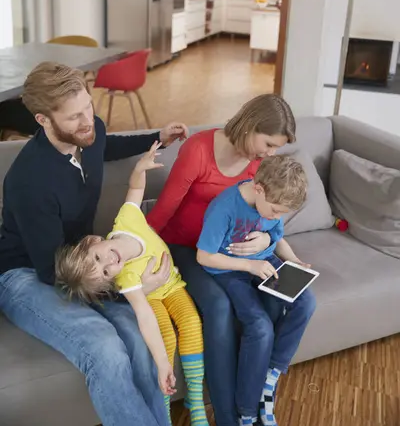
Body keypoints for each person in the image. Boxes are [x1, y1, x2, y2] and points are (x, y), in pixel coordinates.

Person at [0, 61, 189, 426]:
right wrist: (126, 290)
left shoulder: (88, 131)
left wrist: (157, 139)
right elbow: (51, 272)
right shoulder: (31, 182)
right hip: (29, 273)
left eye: (89, 106)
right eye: (74, 117)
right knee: (103, 347)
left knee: (136, 336)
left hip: (86, 256)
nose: (88, 120)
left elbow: (104, 143)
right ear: (43, 121)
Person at [147, 94, 316, 426]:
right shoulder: (197, 150)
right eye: (268, 143)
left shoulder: (260, 164)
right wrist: (135, 249)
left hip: (235, 252)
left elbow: (268, 214)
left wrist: (268, 239)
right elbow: (163, 211)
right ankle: (228, 418)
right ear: (251, 126)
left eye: (275, 149)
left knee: (272, 305)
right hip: (186, 248)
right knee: (220, 308)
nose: (270, 153)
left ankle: (252, 402)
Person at [55, 141, 209, 426]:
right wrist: (164, 364)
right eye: (104, 273)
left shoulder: (126, 221)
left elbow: (135, 192)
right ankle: (162, 401)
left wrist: (140, 168)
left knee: (190, 323)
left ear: (93, 241)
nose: (109, 264)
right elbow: (144, 318)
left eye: (98, 258)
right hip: (153, 299)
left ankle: (195, 400)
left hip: (174, 286)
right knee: (167, 337)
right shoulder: (125, 279)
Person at [197, 155, 314, 426]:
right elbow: (204, 257)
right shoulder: (224, 207)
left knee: (306, 302)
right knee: (260, 326)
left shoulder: (271, 205)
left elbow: (278, 236)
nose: (276, 216)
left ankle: (268, 378)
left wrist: (294, 261)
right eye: (274, 210)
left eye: (281, 213)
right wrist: (249, 265)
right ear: (258, 188)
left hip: (265, 262)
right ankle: (247, 414)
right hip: (230, 270)